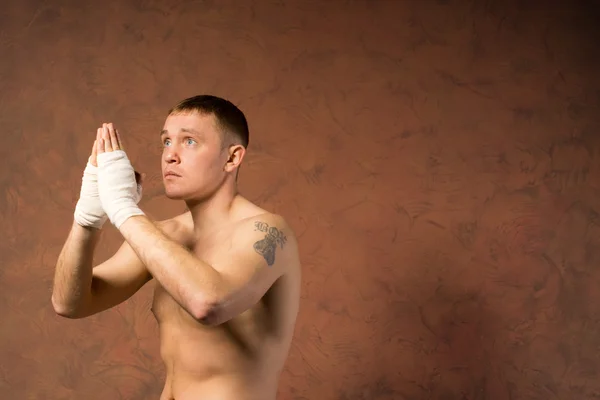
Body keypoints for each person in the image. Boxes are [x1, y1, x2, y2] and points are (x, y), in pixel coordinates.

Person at [51, 95, 302, 400]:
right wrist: (87, 217)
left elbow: (209, 304)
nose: (170, 155)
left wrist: (122, 208)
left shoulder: (268, 232)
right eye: (167, 142)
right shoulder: (164, 236)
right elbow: (70, 303)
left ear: (232, 158)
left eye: (190, 141)